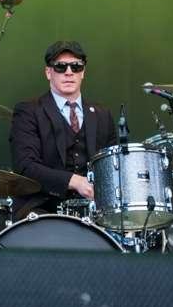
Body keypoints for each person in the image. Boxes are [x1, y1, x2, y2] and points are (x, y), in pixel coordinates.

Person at [9, 40, 117, 219]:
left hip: (93, 212)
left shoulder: (102, 115)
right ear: (48, 72)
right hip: (41, 209)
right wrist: (74, 181)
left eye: (76, 66)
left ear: (83, 72)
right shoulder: (28, 111)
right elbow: (25, 166)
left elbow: (113, 167)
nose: (69, 72)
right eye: (60, 66)